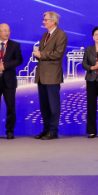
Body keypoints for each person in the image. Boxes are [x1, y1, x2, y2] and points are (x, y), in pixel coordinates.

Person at [33, 11, 68, 140]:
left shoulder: (61, 35)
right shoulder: (45, 35)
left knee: (53, 105)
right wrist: (38, 54)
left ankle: (53, 131)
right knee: (44, 105)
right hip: (41, 75)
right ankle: (46, 129)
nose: (43, 22)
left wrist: (41, 54)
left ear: (53, 21)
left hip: (52, 75)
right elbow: (42, 53)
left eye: (46, 20)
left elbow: (58, 54)